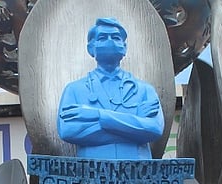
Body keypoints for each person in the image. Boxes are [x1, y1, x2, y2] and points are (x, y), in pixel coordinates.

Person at [57, 17, 163, 160]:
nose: (110, 41)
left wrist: (98, 115)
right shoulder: (74, 90)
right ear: (91, 48)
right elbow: (68, 131)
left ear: (124, 47)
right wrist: (134, 126)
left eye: (115, 37)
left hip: (137, 173)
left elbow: (153, 129)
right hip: (93, 173)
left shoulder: (144, 90)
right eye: (102, 37)